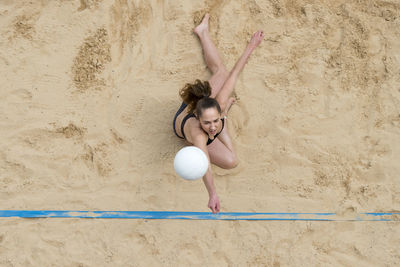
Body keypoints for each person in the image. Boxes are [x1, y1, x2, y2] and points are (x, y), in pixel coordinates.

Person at [172, 13, 264, 213]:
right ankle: (225, 118)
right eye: (208, 123)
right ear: (198, 117)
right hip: (184, 127)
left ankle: (202, 32)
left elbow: (234, 73)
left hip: (208, 107)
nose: (212, 126)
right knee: (231, 161)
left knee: (222, 73)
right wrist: (212, 194)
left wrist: (251, 46)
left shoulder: (216, 103)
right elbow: (204, 166)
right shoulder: (198, 134)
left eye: (215, 121)